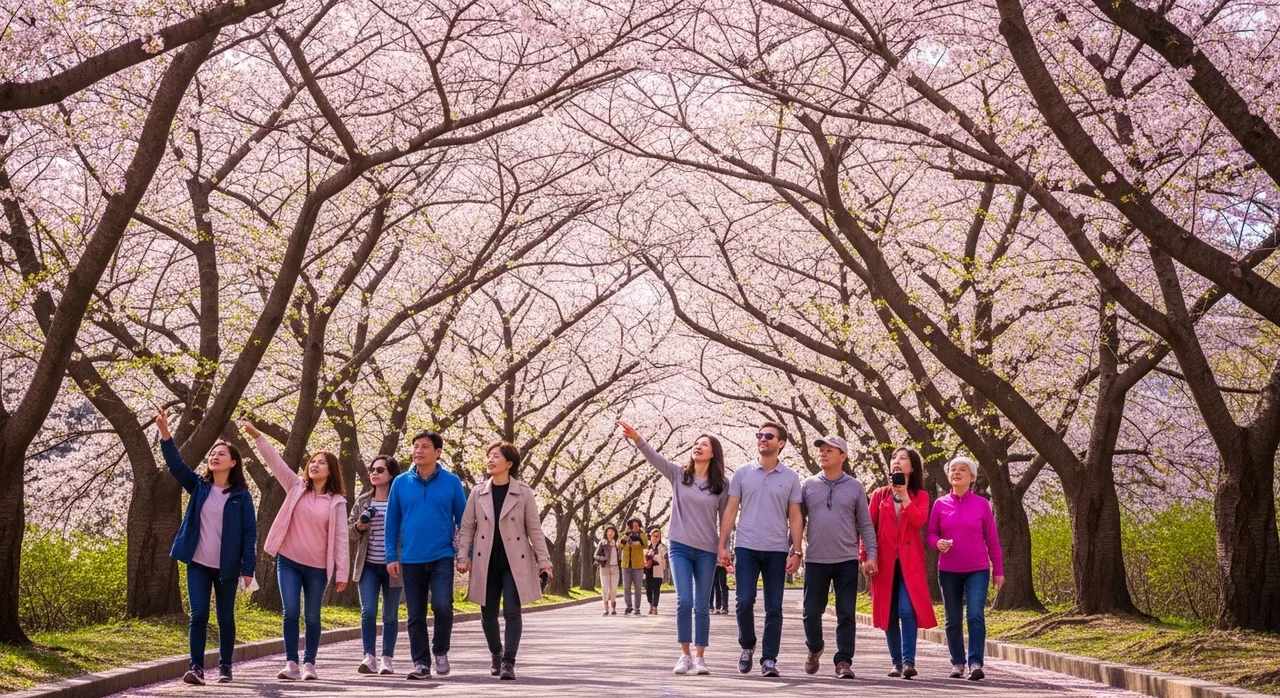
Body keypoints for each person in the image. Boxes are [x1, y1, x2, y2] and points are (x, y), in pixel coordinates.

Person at [620, 422, 730, 675]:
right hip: (679, 546)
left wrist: (724, 548)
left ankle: (700, 657)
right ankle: (684, 655)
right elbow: (654, 458)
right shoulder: (680, 475)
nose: (698, 447)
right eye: (696, 443)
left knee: (702, 604)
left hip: (706, 550)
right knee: (684, 600)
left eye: (704, 444)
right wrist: (637, 437)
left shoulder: (722, 485)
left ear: (713, 453)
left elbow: (726, 520)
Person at [156, 409, 255, 686]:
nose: (214, 456)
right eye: (213, 453)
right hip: (198, 563)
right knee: (198, 615)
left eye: (221, 453)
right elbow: (176, 465)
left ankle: (225, 666)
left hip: (227, 568)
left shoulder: (241, 497)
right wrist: (165, 432)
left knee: (225, 618)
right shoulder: (199, 487)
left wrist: (248, 569)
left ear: (233, 462)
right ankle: (196, 667)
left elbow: (250, 534)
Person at [244, 422, 349, 682]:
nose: (314, 465)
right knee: (291, 611)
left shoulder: (336, 502)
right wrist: (258, 436)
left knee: (312, 616)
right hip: (289, 561)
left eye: (321, 462)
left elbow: (341, 540)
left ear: (331, 470)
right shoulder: (295, 487)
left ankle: (309, 663)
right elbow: (275, 462)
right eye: (312, 461)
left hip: (317, 568)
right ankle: (291, 662)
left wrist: (342, 572)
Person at [457, 442, 553, 681]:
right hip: (485, 561)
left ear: (509, 463)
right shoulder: (478, 493)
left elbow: (534, 529)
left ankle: (509, 662)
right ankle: (496, 653)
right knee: (488, 616)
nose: (490, 460)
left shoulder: (524, 492)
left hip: (515, 562)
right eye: (488, 456)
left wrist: (544, 561)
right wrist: (463, 556)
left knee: (512, 612)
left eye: (496, 456)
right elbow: (467, 527)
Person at [718, 421, 803, 678]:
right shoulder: (743, 473)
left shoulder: (791, 477)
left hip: (777, 550)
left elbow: (796, 515)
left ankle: (769, 659)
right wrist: (722, 545)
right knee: (743, 601)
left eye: (769, 436)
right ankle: (747, 645)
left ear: (781, 444)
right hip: (746, 547)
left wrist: (796, 550)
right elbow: (731, 509)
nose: (762, 439)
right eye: (760, 435)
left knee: (774, 607)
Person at [384, 430, 467, 681]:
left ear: (438, 452)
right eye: (416, 446)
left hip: (442, 555)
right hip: (410, 558)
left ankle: (440, 650)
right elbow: (392, 522)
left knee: (442, 605)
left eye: (425, 447)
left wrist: (465, 554)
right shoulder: (400, 483)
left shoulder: (452, 482)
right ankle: (421, 663)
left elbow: (464, 521)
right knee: (415, 614)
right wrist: (391, 556)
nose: (418, 451)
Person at [799, 435, 877, 680]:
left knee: (846, 613)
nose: (822, 453)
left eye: (829, 450)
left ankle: (843, 661)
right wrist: (794, 550)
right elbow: (796, 522)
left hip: (845, 560)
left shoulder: (855, 486)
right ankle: (814, 646)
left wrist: (871, 555)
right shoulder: (807, 485)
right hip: (815, 560)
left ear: (842, 456)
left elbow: (865, 524)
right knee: (811, 612)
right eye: (821, 449)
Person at [928, 456, 1004, 681]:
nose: (957, 473)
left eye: (963, 470)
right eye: (953, 469)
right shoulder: (940, 504)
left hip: (977, 569)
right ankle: (958, 663)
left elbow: (992, 539)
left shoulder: (982, 504)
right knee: (952, 619)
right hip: (949, 570)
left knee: (975, 615)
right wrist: (937, 543)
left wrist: (998, 570)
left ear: (972, 477)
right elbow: (931, 533)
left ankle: (976, 662)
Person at [864, 446, 937, 679]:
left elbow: (918, 521)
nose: (896, 461)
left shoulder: (921, 496)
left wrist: (905, 495)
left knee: (907, 609)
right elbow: (867, 529)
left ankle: (908, 661)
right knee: (889, 611)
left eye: (903, 458)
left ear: (912, 467)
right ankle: (895, 662)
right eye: (894, 457)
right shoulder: (879, 494)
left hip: (909, 563)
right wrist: (867, 556)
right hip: (884, 563)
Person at [349, 454, 403, 675]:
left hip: (394, 567)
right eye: (372, 469)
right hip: (368, 565)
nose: (374, 472)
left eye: (380, 470)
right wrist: (360, 525)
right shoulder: (363, 500)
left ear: (391, 474)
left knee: (390, 615)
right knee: (368, 611)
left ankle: (386, 658)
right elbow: (350, 533)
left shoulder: (400, 500)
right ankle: (368, 656)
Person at [619, 517, 647, 616]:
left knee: (638, 587)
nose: (635, 527)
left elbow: (645, 546)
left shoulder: (642, 535)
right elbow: (619, 546)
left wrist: (639, 538)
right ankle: (628, 606)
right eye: (633, 525)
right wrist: (624, 539)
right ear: (630, 526)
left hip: (638, 565)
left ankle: (637, 607)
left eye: (637, 525)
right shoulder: (625, 535)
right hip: (626, 565)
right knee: (626, 587)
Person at [594, 525, 621, 615]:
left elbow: (620, 556)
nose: (610, 533)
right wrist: (604, 559)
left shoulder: (617, 544)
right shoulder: (603, 543)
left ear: (615, 533)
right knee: (605, 589)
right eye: (608, 531)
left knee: (613, 589)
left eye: (612, 532)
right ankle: (606, 609)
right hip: (605, 568)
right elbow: (596, 555)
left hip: (615, 568)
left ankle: (613, 608)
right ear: (605, 533)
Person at [643, 529, 668, 615]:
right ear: (650, 536)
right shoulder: (647, 547)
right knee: (648, 589)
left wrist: (658, 558)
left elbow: (665, 556)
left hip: (657, 569)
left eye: (658, 536)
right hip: (648, 570)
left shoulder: (662, 547)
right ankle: (651, 603)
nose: (656, 538)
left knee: (656, 589)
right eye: (654, 536)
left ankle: (655, 607)